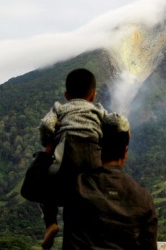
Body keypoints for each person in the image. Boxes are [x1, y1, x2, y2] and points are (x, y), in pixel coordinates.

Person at [62, 113, 158, 249]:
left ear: (98, 148)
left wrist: (50, 147)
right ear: (125, 151)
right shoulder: (143, 199)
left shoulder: (75, 186)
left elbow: (31, 190)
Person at [38, 68, 107, 249]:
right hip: (93, 157)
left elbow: (46, 124)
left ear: (66, 95)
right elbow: (114, 124)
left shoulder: (60, 108)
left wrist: (47, 140)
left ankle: (51, 222)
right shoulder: (98, 110)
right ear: (93, 95)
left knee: (46, 181)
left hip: (67, 155)